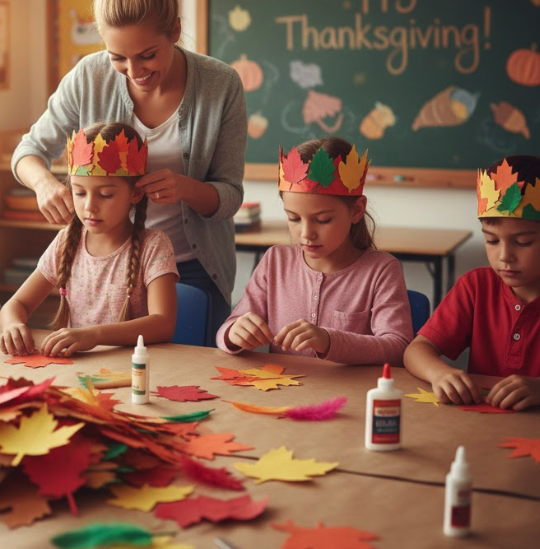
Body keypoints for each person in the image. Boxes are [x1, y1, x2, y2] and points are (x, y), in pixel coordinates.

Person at [12, 0, 246, 341]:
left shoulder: (220, 84)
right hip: (104, 259)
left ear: (174, 31)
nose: (133, 71)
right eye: (118, 57)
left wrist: (187, 188)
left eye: (147, 55)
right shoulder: (90, 76)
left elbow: (229, 197)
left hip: (193, 265)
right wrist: (44, 183)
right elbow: (28, 152)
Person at [216, 137, 412, 365]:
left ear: (357, 210)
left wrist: (329, 341)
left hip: (352, 396)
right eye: (293, 218)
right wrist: (233, 333)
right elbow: (228, 330)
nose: (306, 233)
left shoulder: (381, 270)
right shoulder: (275, 261)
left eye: (323, 220)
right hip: (282, 393)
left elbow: (398, 347)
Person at [0, 122, 178, 357]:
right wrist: (13, 325)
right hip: (79, 370)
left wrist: (93, 335)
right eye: (80, 193)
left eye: (105, 194)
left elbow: (163, 324)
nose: (89, 206)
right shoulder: (66, 242)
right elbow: (15, 305)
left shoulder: (154, 245)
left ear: (135, 193)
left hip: (135, 373)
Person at [404, 155, 540, 411]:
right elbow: (417, 350)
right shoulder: (477, 286)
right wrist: (440, 374)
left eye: (523, 242)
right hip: (481, 427)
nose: (504, 256)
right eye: (491, 241)